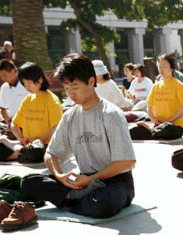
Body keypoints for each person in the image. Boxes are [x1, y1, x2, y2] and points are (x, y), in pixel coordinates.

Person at [21, 54, 136, 219]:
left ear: (91, 81)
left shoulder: (111, 114)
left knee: (104, 203)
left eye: (75, 87)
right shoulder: (70, 115)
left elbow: (126, 161)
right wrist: (60, 176)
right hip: (82, 180)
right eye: (67, 89)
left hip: (114, 181)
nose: (71, 94)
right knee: (29, 182)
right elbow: (51, 153)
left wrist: (91, 180)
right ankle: (78, 198)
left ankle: (70, 198)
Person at [0, 62, 62, 163]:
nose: (27, 87)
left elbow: (56, 127)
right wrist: (21, 138)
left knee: (34, 152)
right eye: (24, 84)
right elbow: (14, 124)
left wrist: (39, 141)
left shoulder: (52, 100)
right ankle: (20, 151)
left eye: (29, 83)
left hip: (45, 145)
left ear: (40, 80)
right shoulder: (27, 99)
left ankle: (16, 150)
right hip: (26, 144)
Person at [130, 54, 183, 141]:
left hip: (174, 126)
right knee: (133, 132)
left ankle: (150, 130)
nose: (161, 69)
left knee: (167, 129)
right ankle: (153, 131)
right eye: (159, 67)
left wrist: (170, 120)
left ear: (172, 68)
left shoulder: (178, 85)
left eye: (164, 66)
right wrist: (153, 119)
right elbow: (149, 106)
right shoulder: (156, 86)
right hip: (158, 125)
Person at [0, 59, 29, 125]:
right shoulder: (4, 87)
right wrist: (7, 120)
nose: (3, 78)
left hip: (26, 117)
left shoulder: (26, 84)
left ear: (13, 71)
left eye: (4, 75)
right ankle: (6, 125)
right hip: (11, 118)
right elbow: (2, 108)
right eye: (1, 75)